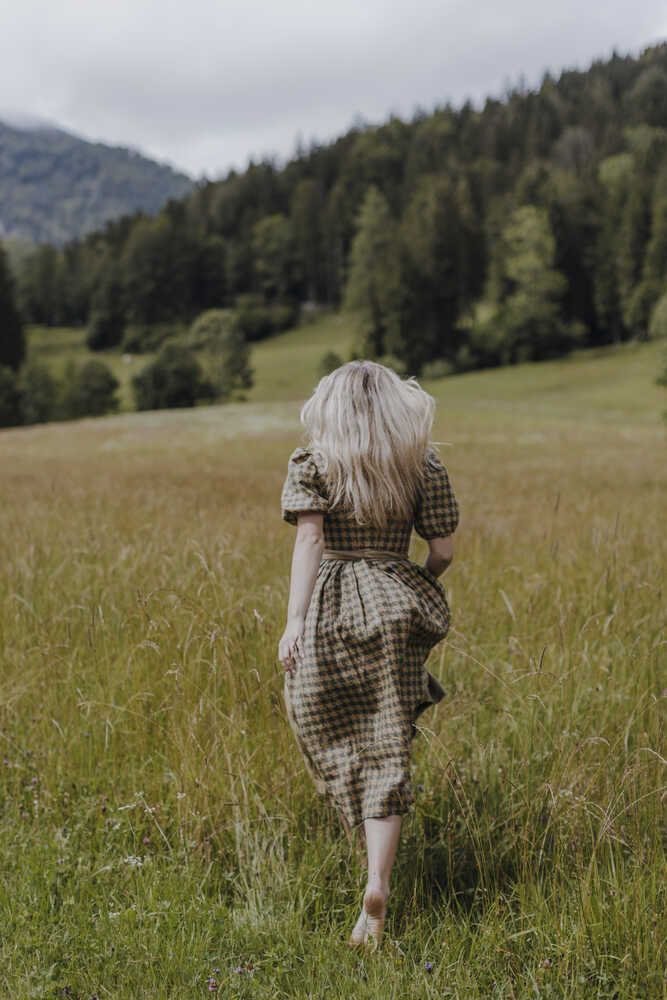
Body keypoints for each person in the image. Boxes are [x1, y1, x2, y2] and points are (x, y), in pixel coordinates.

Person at [277, 359, 460, 950]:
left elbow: (310, 538)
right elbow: (444, 550)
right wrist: (416, 582)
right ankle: (376, 885)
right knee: (388, 742)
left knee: (325, 722)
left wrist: (295, 621)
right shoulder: (420, 462)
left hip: (330, 600)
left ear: (330, 408)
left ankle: (360, 839)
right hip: (392, 601)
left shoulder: (315, 461)